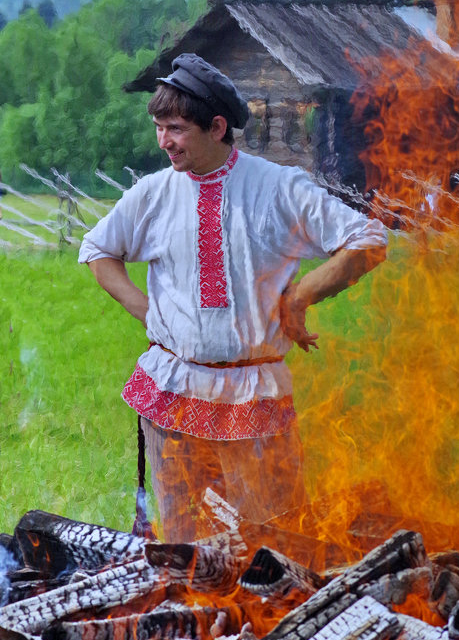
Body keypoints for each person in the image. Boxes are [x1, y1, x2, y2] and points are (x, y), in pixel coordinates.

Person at [79, 54, 388, 542]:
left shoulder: (279, 187)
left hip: (253, 394)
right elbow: (98, 249)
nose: (165, 142)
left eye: (176, 128)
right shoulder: (154, 193)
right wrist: (144, 310)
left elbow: (369, 241)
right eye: (160, 127)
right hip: (173, 392)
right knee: (182, 545)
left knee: (276, 543)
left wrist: (301, 296)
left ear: (217, 127)